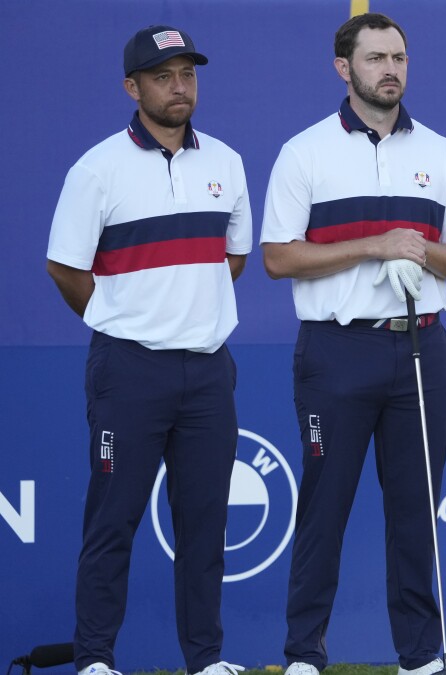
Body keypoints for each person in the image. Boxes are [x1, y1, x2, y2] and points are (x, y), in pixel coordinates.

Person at [260, 12, 446, 675]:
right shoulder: (304, 152)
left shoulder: (440, 153)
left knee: (416, 511)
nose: (390, 69)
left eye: (399, 57)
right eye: (375, 58)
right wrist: (375, 246)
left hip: (420, 347)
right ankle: (306, 654)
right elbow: (278, 257)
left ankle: (419, 656)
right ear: (344, 68)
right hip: (337, 352)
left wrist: (422, 251)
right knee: (324, 507)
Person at [46, 24, 251, 675]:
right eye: (164, 76)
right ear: (132, 88)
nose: (179, 86)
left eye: (187, 74)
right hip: (128, 370)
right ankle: (96, 659)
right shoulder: (96, 168)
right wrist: (123, 317)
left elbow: (234, 257)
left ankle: (206, 659)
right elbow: (66, 269)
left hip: (208, 371)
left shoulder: (226, 162)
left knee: (203, 525)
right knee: (113, 521)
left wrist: (189, 312)